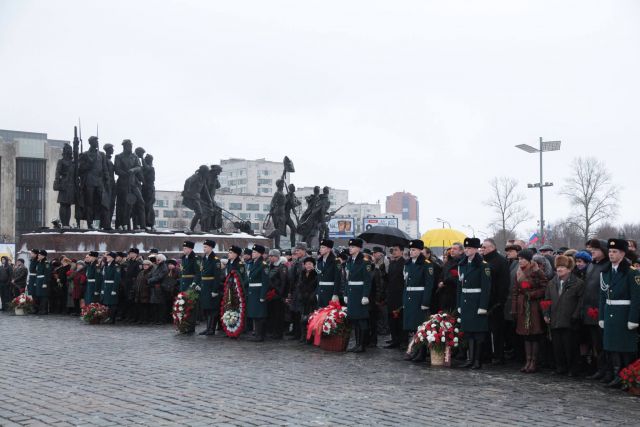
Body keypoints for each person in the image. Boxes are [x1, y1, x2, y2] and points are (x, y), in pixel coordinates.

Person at [598, 238, 640, 388]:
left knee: (625, 348)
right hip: (610, 313)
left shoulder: (631, 272)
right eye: (609, 251)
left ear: (623, 253)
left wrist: (633, 319)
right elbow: (602, 296)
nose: (611, 254)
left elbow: (636, 298)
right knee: (612, 347)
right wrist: (601, 316)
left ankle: (627, 377)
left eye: (615, 252)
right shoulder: (606, 271)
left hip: (624, 314)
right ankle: (617, 374)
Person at [543, 255, 584, 376]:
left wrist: (575, 316)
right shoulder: (552, 283)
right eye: (558, 267)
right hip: (555, 319)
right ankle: (561, 367)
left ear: (569, 269)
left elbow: (581, 302)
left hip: (570, 321)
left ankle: (573, 368)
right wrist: (546, 313)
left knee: (570, 346)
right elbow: (546, 300)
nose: (559, 269)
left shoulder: (578, 283)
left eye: (562, 267)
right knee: (557, 346)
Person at [511, 249, 548, 373]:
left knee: (534, 335)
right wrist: (514, 308)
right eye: (519, 259)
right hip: (522, 305)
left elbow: (545, 288)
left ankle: (534, 362)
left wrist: (532, 294)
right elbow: (515, 291)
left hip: (533, 306)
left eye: (523, 259)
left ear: (529, 260)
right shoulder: (518, 272)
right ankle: (528, 361)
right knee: (526, 336)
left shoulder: (537, 271)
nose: (520, 261)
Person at [457, 237, 491, 369]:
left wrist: (483, 306)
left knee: (478, 333)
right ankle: (470, 359)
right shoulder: (462, 264)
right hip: (466, 302)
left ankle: (477, 360)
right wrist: (459, 304)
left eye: (469, 248)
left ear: (476, 249)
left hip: (477, 302)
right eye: (465, 248)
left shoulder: (483, 265)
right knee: (468, 333)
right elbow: (459, 287)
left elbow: (486, 288)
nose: (466, 250)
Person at [582, 239, 610, 381]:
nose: (592, 251)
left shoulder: (608, 266)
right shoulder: (592, 265)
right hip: (589, 310)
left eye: (595, 249)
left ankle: (607, 370)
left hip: (601, 310)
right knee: (595, 343)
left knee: (603, 343)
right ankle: (599, 369)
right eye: (591, 249)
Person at [402, 239, 434, 362]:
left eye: (414, 250)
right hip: (409, 297)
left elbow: (429, 285)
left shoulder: (426, 264)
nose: (411, 252)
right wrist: (404, 300)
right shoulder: (408, 264)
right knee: (412, 326)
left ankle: (421, 352)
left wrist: (425, 302)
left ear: (420, 250)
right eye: (410, 250)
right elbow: (405, 284)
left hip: (419, 298)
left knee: (420, 326)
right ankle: (414, 351)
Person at [481, 238, 510, 365]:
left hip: (496, 302)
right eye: (482, 247)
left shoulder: (501, 261)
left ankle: (498, 355)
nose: (482, 249)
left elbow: (504, 283)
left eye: (484, 247)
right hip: (484, 301)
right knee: (485, 330)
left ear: (492, 247)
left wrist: (499, 301)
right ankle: (486, 354)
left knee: (497, 331)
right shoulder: (483, 261)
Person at [344, 238, 373, 353]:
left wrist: (365, 295)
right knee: (355, 320)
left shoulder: (365, 262)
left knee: (362, 320)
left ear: (359, 248)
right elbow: (347, 279)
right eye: (350, 247)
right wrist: (346, 293)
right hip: (352, 293)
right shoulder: (349, 261)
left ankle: (362, 344)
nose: (350, 249)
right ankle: (357, 344)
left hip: (360, 293)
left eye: (353, 247)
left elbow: (367, 280)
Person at [384, 244, 406, 349]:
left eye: (396, 250)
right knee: (391, 319)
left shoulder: (405, 263)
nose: (394, 252)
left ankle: (402, 341)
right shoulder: (392, 263)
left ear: (402, 252)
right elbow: (389, 279)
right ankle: (394, 339)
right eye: (392, 250)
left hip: (400, 294)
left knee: (400, 319)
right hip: (391, 294)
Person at [199, 240, 223, 335]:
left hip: (211, 286)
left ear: (211, 248)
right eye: (204, 247)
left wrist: (215, 290)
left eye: (206, 247)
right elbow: (202, 273)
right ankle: (208, 327)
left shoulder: (215, 259)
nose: (204, 248)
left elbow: (217, 276)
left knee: (212, 309)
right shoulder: (204, 258)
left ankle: (211, 328)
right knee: (206, 308)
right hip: (205, 286)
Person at [247, 245, 269, 342]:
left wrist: (263, 295)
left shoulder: (263, 265)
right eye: (253, 252)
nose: (253, 254)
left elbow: (265, 282)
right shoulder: (252, 263)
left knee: (260, 315)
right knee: (255, 314)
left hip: (259, 292)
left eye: (255, 252)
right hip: (252, 292)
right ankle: (256, 333)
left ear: (260, 254)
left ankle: (260, 335)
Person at [368, 246, 388, 348]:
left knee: (374, 320)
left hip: (376, 298)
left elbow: (380, 285)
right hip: (369, 297)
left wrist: (378, 299)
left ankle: (373, 339)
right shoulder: (371, 268)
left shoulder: (384, 264)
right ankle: (368, 339)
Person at [286, 243, 307, 340]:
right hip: (295, 290)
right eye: (296, 250)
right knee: (294, 312)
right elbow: (291, 277)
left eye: (298, 250)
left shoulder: (306, 261)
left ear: (303, 250)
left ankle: (301, 334)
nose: (296, 252)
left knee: (300, 313)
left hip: (302, 291)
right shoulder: (296, 261)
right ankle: (295, 332)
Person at [267, 249, 288, 339]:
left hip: (278, 294)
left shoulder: (282, 267)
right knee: (271, 314)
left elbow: (284, 282)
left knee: (278, 315)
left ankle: (278, 333)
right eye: (270, 256)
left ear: (277, 257)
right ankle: (272, 331)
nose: (270, 258)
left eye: (272, 256)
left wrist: (280, 293)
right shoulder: (270, 266)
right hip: (271, 294)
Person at [436, 242, 463, 313]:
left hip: (454, 294)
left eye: (455, 249)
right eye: (451, 248)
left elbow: (456, 278)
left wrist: (444, 282)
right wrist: (439, 282)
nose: (452, 250)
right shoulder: (448, 262)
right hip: (444, 295)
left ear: (461, 251)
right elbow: (442, 275)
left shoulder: (462, 263)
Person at [298, 257, 319, 343]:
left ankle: (310, 338)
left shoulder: (316, 274)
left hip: (312, 300)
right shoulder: (302, 273)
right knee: (303, 319)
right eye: (306, 264)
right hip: (303, 299)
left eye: (310, 264)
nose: (308, 266)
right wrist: (300, 295)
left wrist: (312, 295)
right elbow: (299, 285)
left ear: (313, 265)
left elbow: (317, 287)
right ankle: (303, 336)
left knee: (311, 319)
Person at [316, 239, 340, 308]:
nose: (320, 249)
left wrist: (335, 294)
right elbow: (318, 279)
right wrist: (317, 292)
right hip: (321, 291)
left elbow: (337, 279)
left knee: (330, 313)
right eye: (320, 247)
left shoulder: (336, 261)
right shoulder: (319, 262)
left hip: (330, 292)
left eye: (323, 247)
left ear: (329, 249)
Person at [148, 254, 169, 325]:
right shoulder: (159, 266)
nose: (157, 261)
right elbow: (153, 274)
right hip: (155, 287)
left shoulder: (163, 267)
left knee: (161, 305)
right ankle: (156, 319)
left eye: (158, 259)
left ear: (162, 260)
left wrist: (150, 280)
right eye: (157, 259)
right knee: (156, 305)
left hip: (160, 288)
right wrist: (150, 278)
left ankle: (161, 320)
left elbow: (160, 277)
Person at [101, 251, 121, 324]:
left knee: (112, 304)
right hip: (106, 286)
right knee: (106, 303)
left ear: (113, 258)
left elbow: (117, 278)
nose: (107, 258)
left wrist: (114, 289)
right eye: (107, 257)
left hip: (112, 286)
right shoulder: (106, 266)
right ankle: (107, 317)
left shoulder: (116, 266)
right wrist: (103, 288)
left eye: (109, 257)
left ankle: (112, 318)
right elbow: (104, 278)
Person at [134, 260, 153, 324]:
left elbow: (150, 282)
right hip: (139, 292)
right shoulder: (141, 272)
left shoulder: (150, 273)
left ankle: (145, 319)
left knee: (145, 307)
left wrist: (147, 288)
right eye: (144, 265)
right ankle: (141, 319)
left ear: (149, 265)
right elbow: (137, 281)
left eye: (146, 265)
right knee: (140, 307)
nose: (145, 266)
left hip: (146, 292)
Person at [35, 250, 51, 315]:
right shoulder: (39, 262)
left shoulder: (46, 263)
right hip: (39, 281)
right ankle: (41, 309)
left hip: (43, 281)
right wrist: (36, 281)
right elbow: (37, 273)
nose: (38, 256)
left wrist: (45, 283)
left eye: (39, 255)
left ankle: (44, 310)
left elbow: (47, 274)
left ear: (43, 256)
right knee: (39, 296)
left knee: (44, 296)